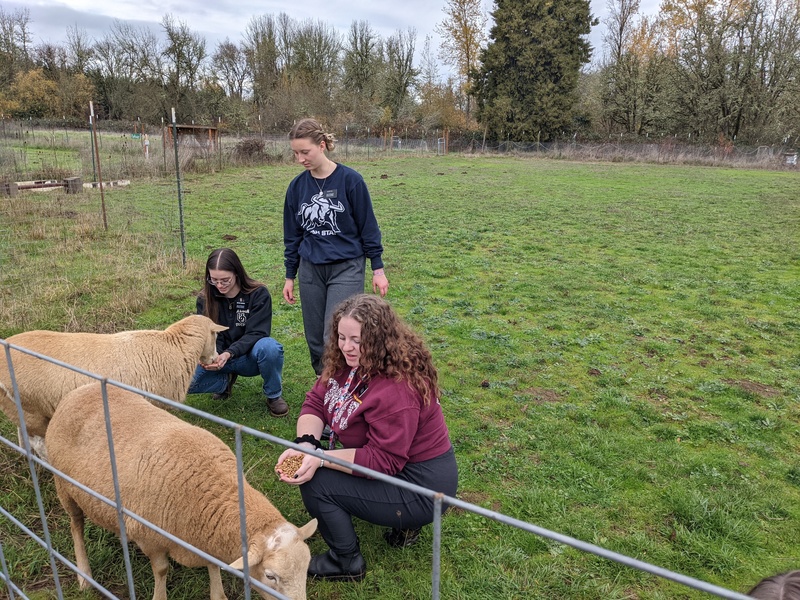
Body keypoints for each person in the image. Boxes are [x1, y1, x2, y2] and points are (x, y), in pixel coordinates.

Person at [275, 294, 458, 581]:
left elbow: (384, 461)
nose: (347, 347)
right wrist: (307, 444)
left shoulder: (397, 388)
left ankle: (346, 562)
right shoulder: (346, 363)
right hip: (394, 466)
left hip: (422, 487)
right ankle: (397, 522)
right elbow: (315, 401)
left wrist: (319, 459)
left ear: (379, 339)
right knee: (315, 463)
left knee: (317, 481)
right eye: (341, 337)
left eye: (357, 340)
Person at [283, 118, 389, 375]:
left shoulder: (351, 181)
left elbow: (368, 227)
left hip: (346, 267)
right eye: (295, 153)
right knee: (315, 337)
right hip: (311, 270)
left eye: (305, 152)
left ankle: (344, 383)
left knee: (339, 333)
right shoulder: (297, 187)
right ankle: (324, 384)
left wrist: (377, 268)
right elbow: (292, 235)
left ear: (322, 145)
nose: (300, 159)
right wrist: (290, 275)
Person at [187, 248, 288, 417]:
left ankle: (273, 395)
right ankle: (223, 383)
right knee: (184, 383)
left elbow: (257, 333)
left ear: (237, 273)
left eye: (225, 280)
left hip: (248, 357)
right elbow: (208, 334)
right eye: (214, 280)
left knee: (270, 348)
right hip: (218, 358)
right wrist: (213, 357)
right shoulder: (204, 298)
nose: (219, 286)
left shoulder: (258, 294)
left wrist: (229, 353)